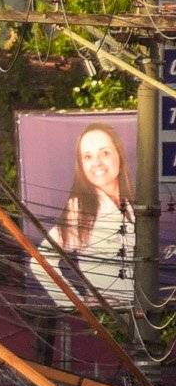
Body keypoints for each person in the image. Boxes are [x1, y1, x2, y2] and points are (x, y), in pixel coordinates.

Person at [42, 121, 134, 305]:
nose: (96, 163)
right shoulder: (80, 209)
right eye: (87, 157)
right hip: (109, 317)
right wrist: (76, 304)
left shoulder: (133, 204)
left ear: (120, 154)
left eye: (105, 153)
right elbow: (41, 261)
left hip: (143, 313)